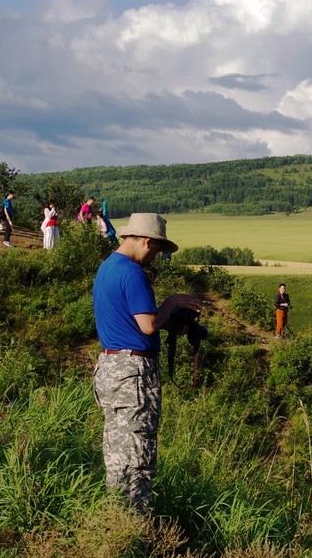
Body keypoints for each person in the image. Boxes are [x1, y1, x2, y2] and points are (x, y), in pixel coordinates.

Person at [92, 212, 202, 513]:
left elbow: (128, 320)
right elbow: (147, 326)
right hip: (133, 374)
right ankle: (135, 524)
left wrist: (169, 321)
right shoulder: (133, 273)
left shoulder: (107, 268)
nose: (156, 256)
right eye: (157, 250)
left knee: (117, 451)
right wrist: (171, 303)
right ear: (146, 241)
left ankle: (115, 517)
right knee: (138, 454)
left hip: (110, 368)